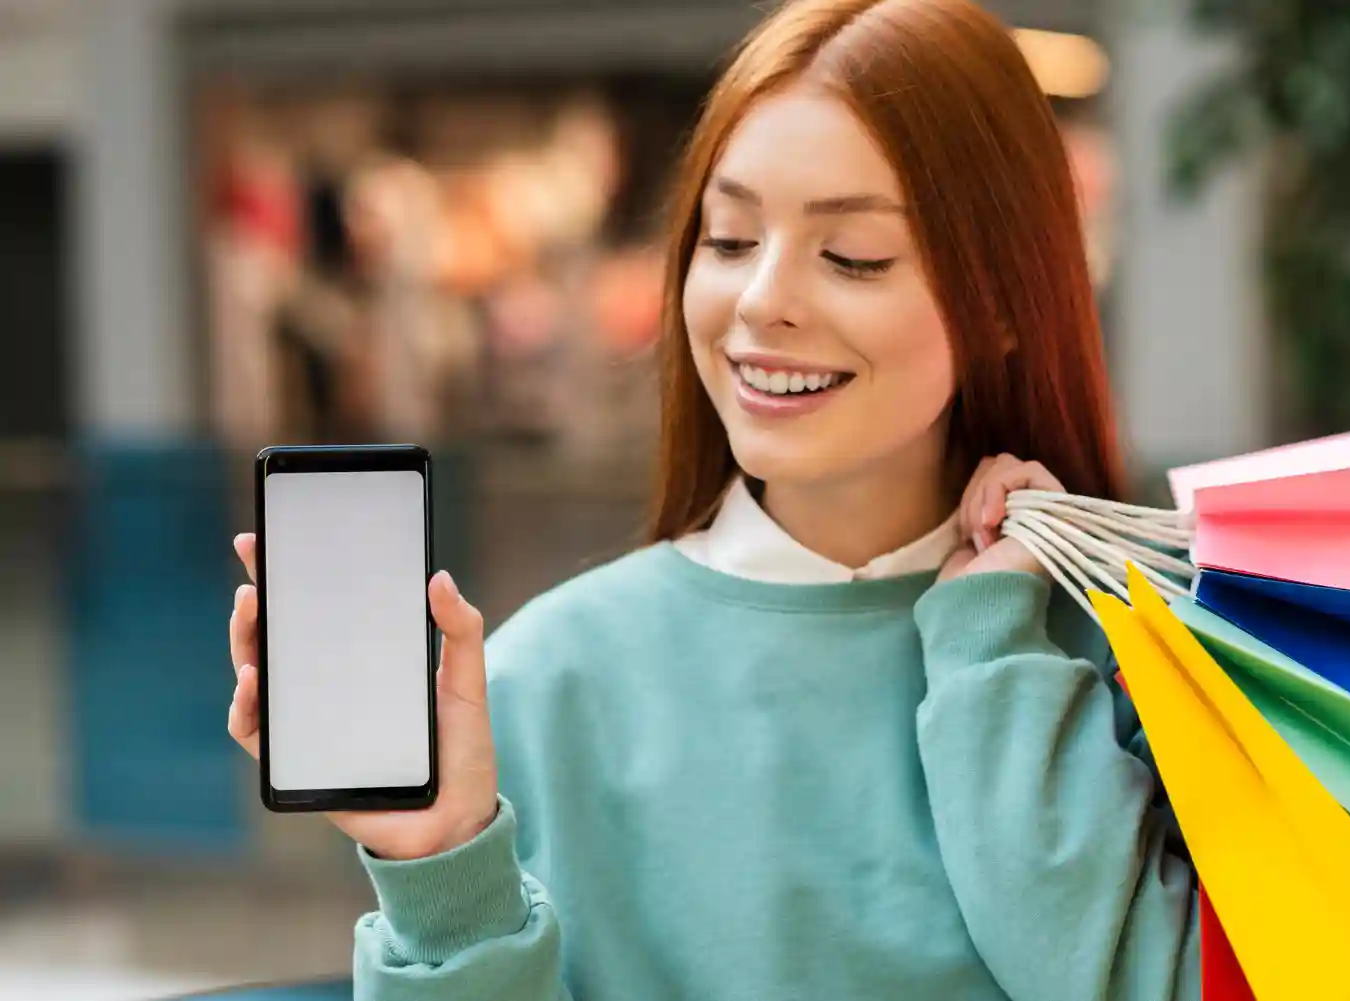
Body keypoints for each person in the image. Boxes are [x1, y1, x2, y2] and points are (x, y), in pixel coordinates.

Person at [224, 0, 1199, 997]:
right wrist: (443, 873)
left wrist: (993, 648)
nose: (760, 300)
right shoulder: (541, 689)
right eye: (729, 240)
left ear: (1001, 302)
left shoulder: (1140, 666)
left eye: (853, 254)